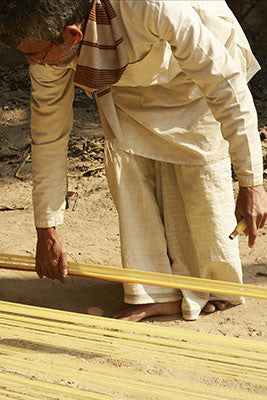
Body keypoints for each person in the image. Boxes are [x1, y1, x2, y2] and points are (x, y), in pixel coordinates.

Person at [0, 0, 266, 321]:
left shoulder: (150, 7)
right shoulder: (49, 54)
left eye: (36, 54)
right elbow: (48, 133)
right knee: (128, 168)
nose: (32, 62)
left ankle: (210, 283)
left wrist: (252, 183)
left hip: (197, 79)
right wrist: (47, 228)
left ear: (71, 33)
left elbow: (225, 87)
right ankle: (153, 291)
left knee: (202, 181)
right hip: (127, 83)